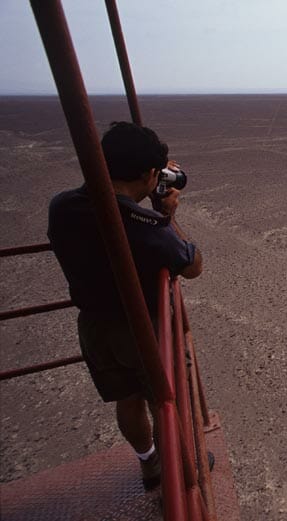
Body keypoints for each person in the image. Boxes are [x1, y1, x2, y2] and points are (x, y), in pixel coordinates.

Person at [48, 121, 202, 490]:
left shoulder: (63, 206)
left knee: (127, 398)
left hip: (94, 326)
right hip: (141, 328)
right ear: (151, 174)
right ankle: (179, 475)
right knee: (165, 402)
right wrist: (168, 215)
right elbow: (192, 265)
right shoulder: (140, 223)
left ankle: (149, 464)